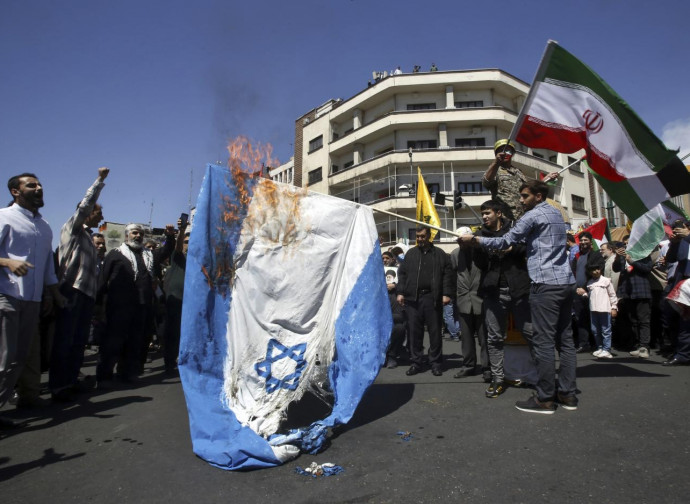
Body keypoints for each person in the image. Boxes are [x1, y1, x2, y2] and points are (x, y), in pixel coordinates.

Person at [458, 179, 577, 414]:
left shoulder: (530, 217)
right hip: (566, 282)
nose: (521, 201)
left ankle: (545, 399)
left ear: (538, 196)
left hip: (543, 285)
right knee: (565, 342)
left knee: (541, 342)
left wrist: (476, 240)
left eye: (524, 196)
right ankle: (567, 394)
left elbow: (504, 241)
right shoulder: (557, 214)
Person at [0, 173, 65, 428]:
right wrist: (7, 262)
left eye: (40, 185)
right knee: (5, 358)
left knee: (19, 359)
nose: (39, 188)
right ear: (16, 192)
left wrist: (54, 293)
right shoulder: (4, 217)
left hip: (33, 301)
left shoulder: (45, 226)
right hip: (6, 296)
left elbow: (48, 267)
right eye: (32, 185)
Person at [49, 167, 109, 402]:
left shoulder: (90, 242)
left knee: (78, 342)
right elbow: (85, 205)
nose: (101, 218)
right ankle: (57, 386)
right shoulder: (73, 230)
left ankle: (70, 381)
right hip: (70, 291)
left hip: (86, 296)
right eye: (98, 213)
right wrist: (100, 181)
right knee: (64, 340)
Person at [97, 222, 174, 387]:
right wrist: (98, 305)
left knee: (135, 342)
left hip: (142, 306)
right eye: (134, 233)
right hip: (119, 307)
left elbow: (166, 250)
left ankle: (128, 373)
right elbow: (103, 280)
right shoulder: (116, 255)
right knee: (113, 342)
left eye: (140, 233)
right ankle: (104, 376)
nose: (137, 236)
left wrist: (169, 235)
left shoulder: (149, 255)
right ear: (126, 235)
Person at [474, 200, 533, 397]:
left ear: (498, 213)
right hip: (493, 292)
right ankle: (497, 379)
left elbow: (528, 249)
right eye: (482, 214)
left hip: (519, 290)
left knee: (531, 334)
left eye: (487, 213)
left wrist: (511, 249)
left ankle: (543, 377)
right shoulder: (480, 235)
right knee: (494, 338)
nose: (484, 217)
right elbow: (481, 264)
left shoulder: (516, 229)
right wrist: (472, 247)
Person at [396, 226, 454, 376]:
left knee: (435, 332)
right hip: (412, 299)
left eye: (422, 236)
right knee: (414, 333)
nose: (420, 239)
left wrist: (446, 293)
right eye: (418, 237)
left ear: (429, 236)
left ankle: (435, 362)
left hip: (432, 298)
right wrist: (400, 292)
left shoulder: (440, 254)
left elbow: (448, 275)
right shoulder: (411, 254)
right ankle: (416, 362)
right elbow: (402, 274)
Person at [482, 139, 558, 221]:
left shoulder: (518, 172)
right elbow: (487, 181)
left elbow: (529, 189)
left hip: (522, 216)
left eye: (508, 150)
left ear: (513, 153)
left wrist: (545, 179)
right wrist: (496, 162)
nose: (505, 153)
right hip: (505, 218)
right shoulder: (494, 170)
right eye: (501, 150)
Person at [450, 227, 488, 381]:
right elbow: (452, 276)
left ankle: (487, 368)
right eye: (458, 240)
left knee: (484, 338)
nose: (460, 243)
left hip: (481, 299)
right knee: (466, 338)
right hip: (463, 300)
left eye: (462, 240)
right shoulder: (454, 255)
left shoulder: (481, 252)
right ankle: (468, 366)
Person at [612, 240, 652, 357]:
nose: (627, 245)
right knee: (633, 320)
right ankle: (638, 344)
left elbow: (647, 268)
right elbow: (616, 269)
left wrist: (632, 261)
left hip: (641, 290)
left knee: (643, 319)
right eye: (625, 243)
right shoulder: (624, 254)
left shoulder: (643, 253)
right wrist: (618, 257)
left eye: (629, 242)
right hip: (628, 292)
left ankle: (645, 346)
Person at [572, 231, 605, 352]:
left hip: (592, 291)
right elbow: (572, 273)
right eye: (581, 240)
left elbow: (597, 272)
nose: (582, 242)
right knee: (580, 319)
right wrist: (575, 288)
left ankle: (597, 344)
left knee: (595, 318)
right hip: (578, 292)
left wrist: (585, 288)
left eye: (585, 240)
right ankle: (583, 343)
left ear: (590, 242)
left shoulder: (596, 255)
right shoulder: (577, 256)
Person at [162, 219, 188, 375]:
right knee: (172, 332)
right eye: (185, 242)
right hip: (175, 301)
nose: (187, 244)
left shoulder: (198, 260)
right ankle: (169, 362)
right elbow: (178, 245)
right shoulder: (178, 256)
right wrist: (182, 230)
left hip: (190, 304)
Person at [582, 263, 618, 359]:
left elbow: (612, 294)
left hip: (604, 309)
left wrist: (614, 307)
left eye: (597, 269)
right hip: (593, 309)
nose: (595, 271)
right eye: (593, 270)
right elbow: (591, 295)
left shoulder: (606, 281)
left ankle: (607, 349)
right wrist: (584, 294)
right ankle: (600, 347)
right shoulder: (590, 283)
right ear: (590, 272)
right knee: (595, 330)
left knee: (605, 330)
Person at [381, 251, 405, 369]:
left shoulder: (400, 272)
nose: (385, 260)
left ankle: (392, 356)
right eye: (383, 258)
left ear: (393, 259)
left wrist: (395, 286)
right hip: (379, 313)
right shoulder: (376, 272)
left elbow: (400, 316)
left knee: (399, 328)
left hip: (394, 312)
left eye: (387, 258)